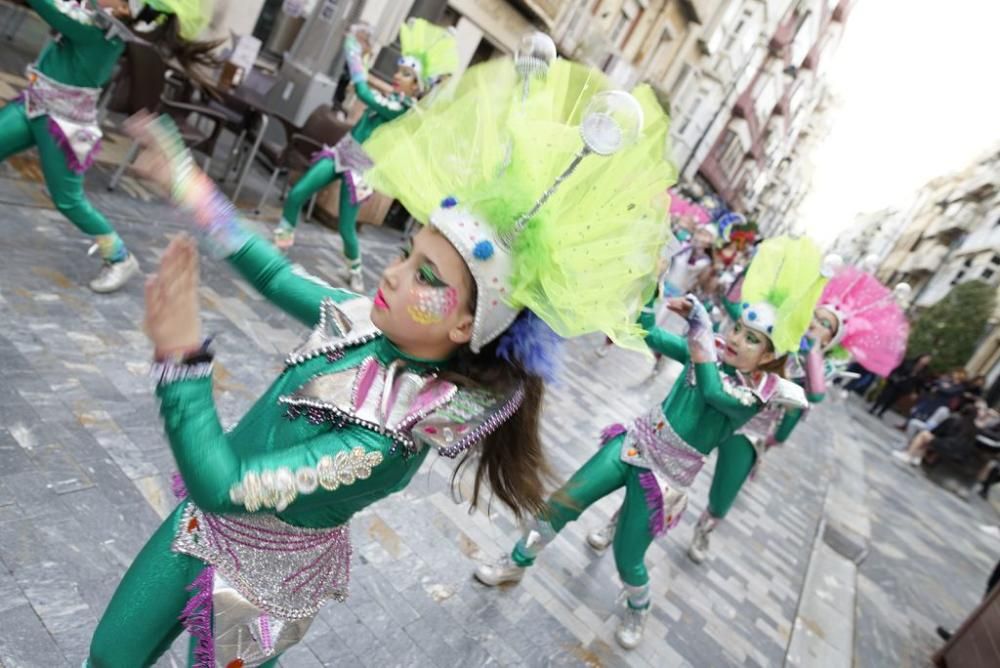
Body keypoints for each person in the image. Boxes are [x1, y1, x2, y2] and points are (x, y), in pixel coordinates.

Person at [86, 54, 676, 666]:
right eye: (405, 252)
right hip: (199, 529)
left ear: (466, 324)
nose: (391, 275)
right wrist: (190, 185)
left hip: (263, 589)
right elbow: (273, 271)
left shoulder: (391, 440)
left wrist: (182, 361)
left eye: (424, 275)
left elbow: (226, 485)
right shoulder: (360, 315)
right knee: (108, 656)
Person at [474, 236, 818, 650]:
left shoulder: (753, 396)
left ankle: (638, 607)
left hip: (666, 478)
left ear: (767, 356)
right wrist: (653, 284)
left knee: (628, 559)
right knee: (564, 500)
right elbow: (649, 333)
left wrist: (703, 336)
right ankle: (515, 562)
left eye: (751, 339)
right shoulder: (702, 353)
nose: (737, 339)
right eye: (737, 329)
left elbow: (712, 393)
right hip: (635, 443)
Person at [1, 0, 215, 292]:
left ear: (128, 9)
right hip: (35, 103)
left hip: (62, 126)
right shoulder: (98, 20)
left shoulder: (98, 31)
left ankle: (119, 257)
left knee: (68, 201)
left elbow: (48, 7)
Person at [272, 18, 458, 293]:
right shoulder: (389, 100)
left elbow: (362, 91)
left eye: (406, 74)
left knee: (346, 229)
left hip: (361, 169)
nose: (397, 76)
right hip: (342, 152)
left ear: (416, 86)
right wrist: (364, 53)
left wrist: (352, 49)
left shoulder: (401, 109)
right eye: (399, 70)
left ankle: (355, 267)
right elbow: (367, 91)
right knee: (298, 192)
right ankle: (281, 246)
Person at [892, 402, 980, 466]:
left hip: (948, 446)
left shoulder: (955, 419)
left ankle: (908, 455)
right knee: (931, 438)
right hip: (960, 452)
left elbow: (937, 431)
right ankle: (917, 457)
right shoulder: (974, 428)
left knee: (925, 435)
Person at [870, 353, 933, 417]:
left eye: (928, 360)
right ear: (921, 357)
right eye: (925, 358)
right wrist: (890, 376)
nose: (926, 360)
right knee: (884, 395)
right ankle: (874, 408)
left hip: (904, 387)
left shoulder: (925, 371)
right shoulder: (909, 362)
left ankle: (881, 412)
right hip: (895, 381)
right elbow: (897, 369)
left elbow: (920, 383)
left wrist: (916, 392)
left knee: (892, 400)